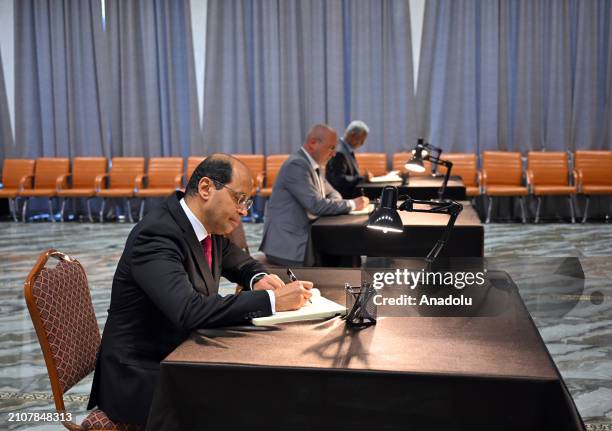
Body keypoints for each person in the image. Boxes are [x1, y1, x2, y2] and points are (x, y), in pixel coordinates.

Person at [88, 154, 313, 426]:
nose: (244, 211)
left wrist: (259, 278)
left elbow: (239, 262)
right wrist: (272, 300)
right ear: (206, 188)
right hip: (145, 374)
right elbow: (189, 310)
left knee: (269, 382)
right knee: (257, 397)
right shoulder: (157, 235)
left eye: (247, 202)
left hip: (183, 353)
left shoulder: (207, 228)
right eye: (239, 199)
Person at [259, 124, 369, 266]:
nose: (334, 153)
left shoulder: (313, 164)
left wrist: (327, 203)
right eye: (331, 147)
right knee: (344, 254)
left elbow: (333, 193)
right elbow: (316, 205)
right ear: (312, 143)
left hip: (305, 235)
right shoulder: (297, 165)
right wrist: (353, 204)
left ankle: (348, 284)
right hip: (289, 246)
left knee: (348, 251)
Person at [325, 120, 371, 198]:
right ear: (352, 135)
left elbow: (349, 174)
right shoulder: (339, 152)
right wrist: (361, 178)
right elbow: (339, 180)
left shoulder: (345, 148)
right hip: (343, 198)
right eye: (361, 140)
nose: (362, 143)